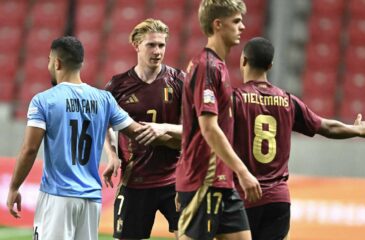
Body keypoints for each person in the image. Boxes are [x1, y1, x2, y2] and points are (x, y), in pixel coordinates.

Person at [5, 36, 155, 240]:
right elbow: (138, 132)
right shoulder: (104, 99)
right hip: (91, 200)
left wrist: (14, 187)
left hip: (58, 196)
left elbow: (30, 149)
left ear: (57, 62)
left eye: (50, 60)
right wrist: (177, 132)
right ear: (81, 63)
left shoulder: (43, 101)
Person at [232, 37, 365, 240]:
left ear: (243, 61)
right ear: (270, 65)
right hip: (278, 201)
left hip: (244, 197)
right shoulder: (288, 101)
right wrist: (355, 130)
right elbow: (326, 127)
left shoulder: (235, 99)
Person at [175, 1, 262, 240]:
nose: (242, 27)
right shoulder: (207, 66)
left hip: (222, 181)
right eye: (236, 21)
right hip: (203, 178)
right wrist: (243, 172)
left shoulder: (219, 66)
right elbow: (209, 128)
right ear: (218, 24)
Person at [102, 18, 184, 240]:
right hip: (135, 180)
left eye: (161, 45)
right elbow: (104, 124)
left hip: (175, 179)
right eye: (151, 45)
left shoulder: (179, 81)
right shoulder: (118, 85)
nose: (157, 51)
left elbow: (198, 129)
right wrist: (112, 156)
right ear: (136, 45)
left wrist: (164, 129)